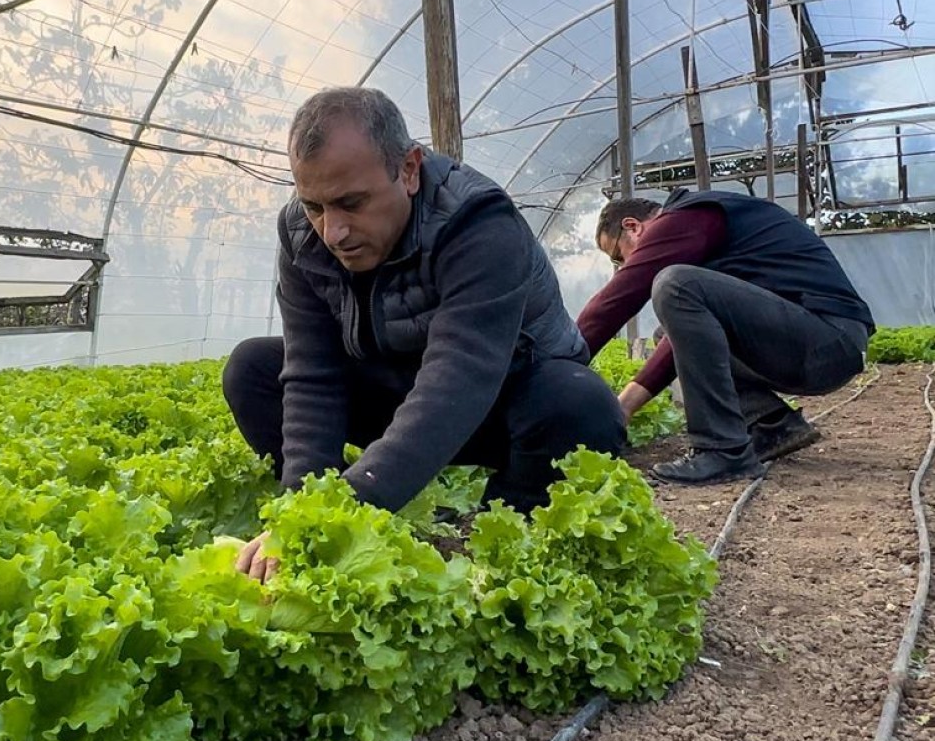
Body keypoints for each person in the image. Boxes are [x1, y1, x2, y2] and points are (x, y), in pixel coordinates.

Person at [223, 87, 625, 581]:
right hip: (396, 389)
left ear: (409, 169)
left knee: (581, 404)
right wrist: (305, 511)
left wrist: (354, 501)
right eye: (315, 206)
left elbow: (460, 376)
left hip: (499, 399)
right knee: (252, 369)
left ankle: (505, 529)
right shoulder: (303, 234)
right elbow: (312, 374)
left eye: (352, 203)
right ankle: (358, 505)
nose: (334, 232)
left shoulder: (477, 221)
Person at [577, 186, 874, 486]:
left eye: (618, 255)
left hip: (829, 339)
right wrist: (624, 407)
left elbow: (619, 297)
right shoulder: (708, 229)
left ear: (632, 226)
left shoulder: (689, 215)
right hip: (821, 345)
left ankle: (722, 450)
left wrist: (559, 361)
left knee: (675, 283)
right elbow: (686, 345)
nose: (624, 266)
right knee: (668, 330)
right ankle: (769, 424)